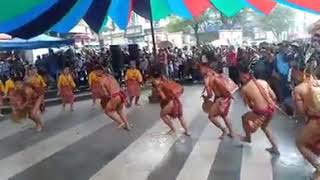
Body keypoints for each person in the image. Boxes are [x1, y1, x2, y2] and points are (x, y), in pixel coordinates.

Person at [238, 59, 280, 155]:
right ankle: (275, 147)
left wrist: (256, 114)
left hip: (261, 112)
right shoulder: (263, 82)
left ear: (243, 76)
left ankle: (248, 138)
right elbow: (274, 97)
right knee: (265, 127)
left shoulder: (244, 89)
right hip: (272, 110)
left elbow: (248, 105)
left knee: (244, 118)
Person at [293, 63, 320, 179]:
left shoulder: (299, 89)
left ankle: (318, 167)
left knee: (300, 143)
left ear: (301, 73)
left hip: (316, 121)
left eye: (294, 72)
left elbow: (301, 112)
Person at [199, 64, 236, 139]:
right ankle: (232, 133)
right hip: (226, 97)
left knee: (211, 116)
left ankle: (224, 130)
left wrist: (205, 98)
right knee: (224, 115)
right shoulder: (214, 73)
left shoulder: (207, 78)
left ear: (206, 68)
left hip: (220, 99)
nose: (200, 71)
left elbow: (209, 94)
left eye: (201, 69)